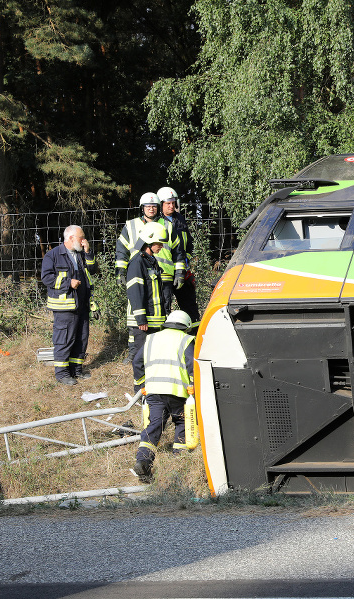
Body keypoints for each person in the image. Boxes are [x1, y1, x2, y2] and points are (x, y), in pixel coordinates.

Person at [132, 310, 195, 483]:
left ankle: (143, 461)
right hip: (177, 392)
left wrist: (141, 384)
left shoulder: (151, 338)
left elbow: (137, 361)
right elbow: (192, 364)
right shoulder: (186, 339)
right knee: (182, 422)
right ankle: (178, 462)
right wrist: (193, 384)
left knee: (154, 425)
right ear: (186, 326)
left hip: (153, 390)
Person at [40, 225, 98, 385]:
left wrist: (88, 252)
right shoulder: (53, 255)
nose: (84, 240)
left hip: (82, 304)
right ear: (71, 238)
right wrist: (68, 282)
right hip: (64, 306)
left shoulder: (80, 254)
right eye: (81, 237)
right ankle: (62, 373)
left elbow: (93, 270)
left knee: (81, 338)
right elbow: (46, 278)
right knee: (64, 339)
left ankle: (76, 370)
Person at [126, 221, 169, 392]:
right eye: (159, 243)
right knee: (141, 358)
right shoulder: (138, 262)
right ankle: (140, 390)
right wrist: (141, 318)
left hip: (154, 320)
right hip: (144, 322)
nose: (162, 246)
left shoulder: (151, 261)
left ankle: (151, 387)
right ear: (149, 242)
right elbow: (135, 291)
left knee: (152, 356)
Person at [157, 186, 199, 324]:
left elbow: (188, 244)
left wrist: (186, 262)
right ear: (160, 204)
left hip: (182, 270)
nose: (171, 206)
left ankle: (194, 335)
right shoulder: (156, 221)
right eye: (168, 203)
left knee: (190, 306)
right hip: (164, 272)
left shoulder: (180, 219)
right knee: (164, 306)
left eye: (173, 203)